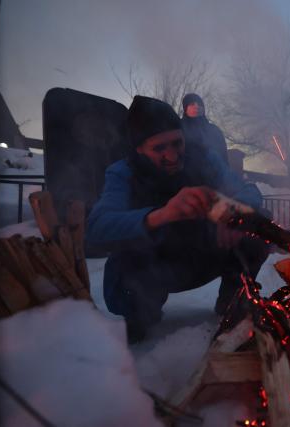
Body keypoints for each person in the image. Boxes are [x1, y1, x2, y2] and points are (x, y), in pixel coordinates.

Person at [87, 96, 268, 343]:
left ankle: (231, 302)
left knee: (257, 228)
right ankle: (141, 316)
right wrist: (161, 214)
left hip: (203, 254)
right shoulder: (123, 173)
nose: (172, 156)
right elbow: (98, 226)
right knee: (128, 272)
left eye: (176, 143)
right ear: (139, 148)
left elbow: (249, 191)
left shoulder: (204, 160)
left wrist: (236, 215)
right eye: (159, 148)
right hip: (155, 267)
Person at [181, 93, 229, 163]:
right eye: (192, 104)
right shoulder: (178, 128)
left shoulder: (214, 130)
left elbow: (223, 156)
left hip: (214, 171)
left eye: (200, 104)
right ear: (185, 108)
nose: (197, 106)